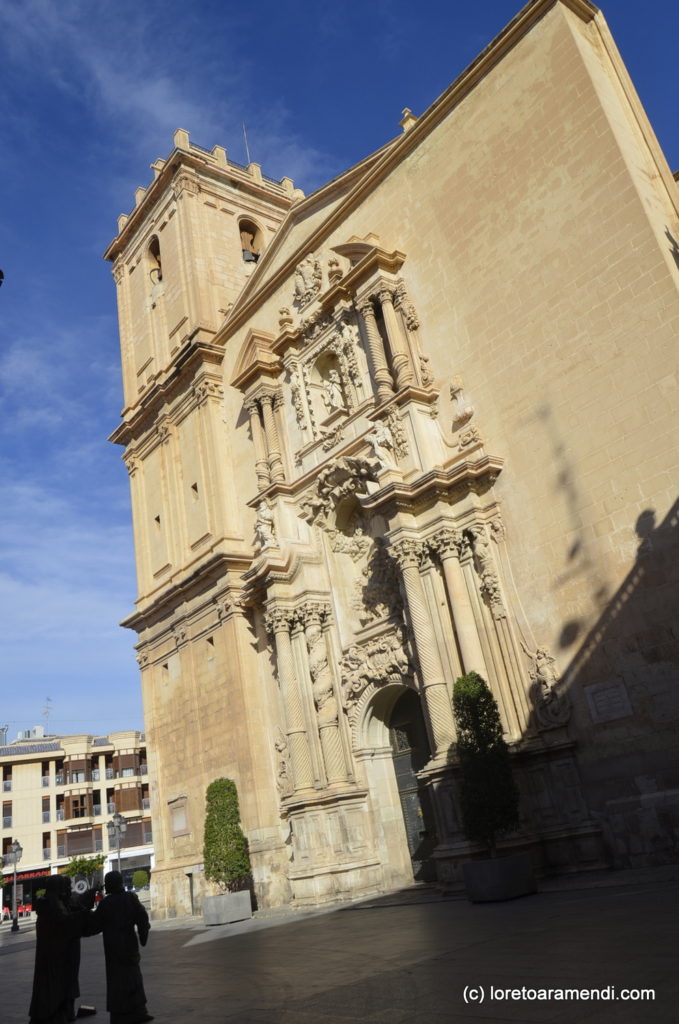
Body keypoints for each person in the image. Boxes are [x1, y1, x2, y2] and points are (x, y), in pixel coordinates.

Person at [29, 875, 98, 1024]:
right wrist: (83, 915)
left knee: (67, 983)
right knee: (54, 987)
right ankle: (55, 1015)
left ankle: (65, 1012)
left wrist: (89, 897)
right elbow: (64, 923)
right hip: (53, 958)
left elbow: (74, 907)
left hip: (62, 955)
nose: (68, 889)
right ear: (57, 888)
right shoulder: (50, 906)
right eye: (64, 887)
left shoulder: (58, 903)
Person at [93, 871, 152, 1024]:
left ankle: (119, 1015)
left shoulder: (106, 904)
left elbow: (94, 925)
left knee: (116, 981)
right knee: (134, 976)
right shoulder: (131, 898)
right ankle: (139, 1010)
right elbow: (142, 916)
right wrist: (143, 934)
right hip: (130, 946)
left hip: (113, 948)